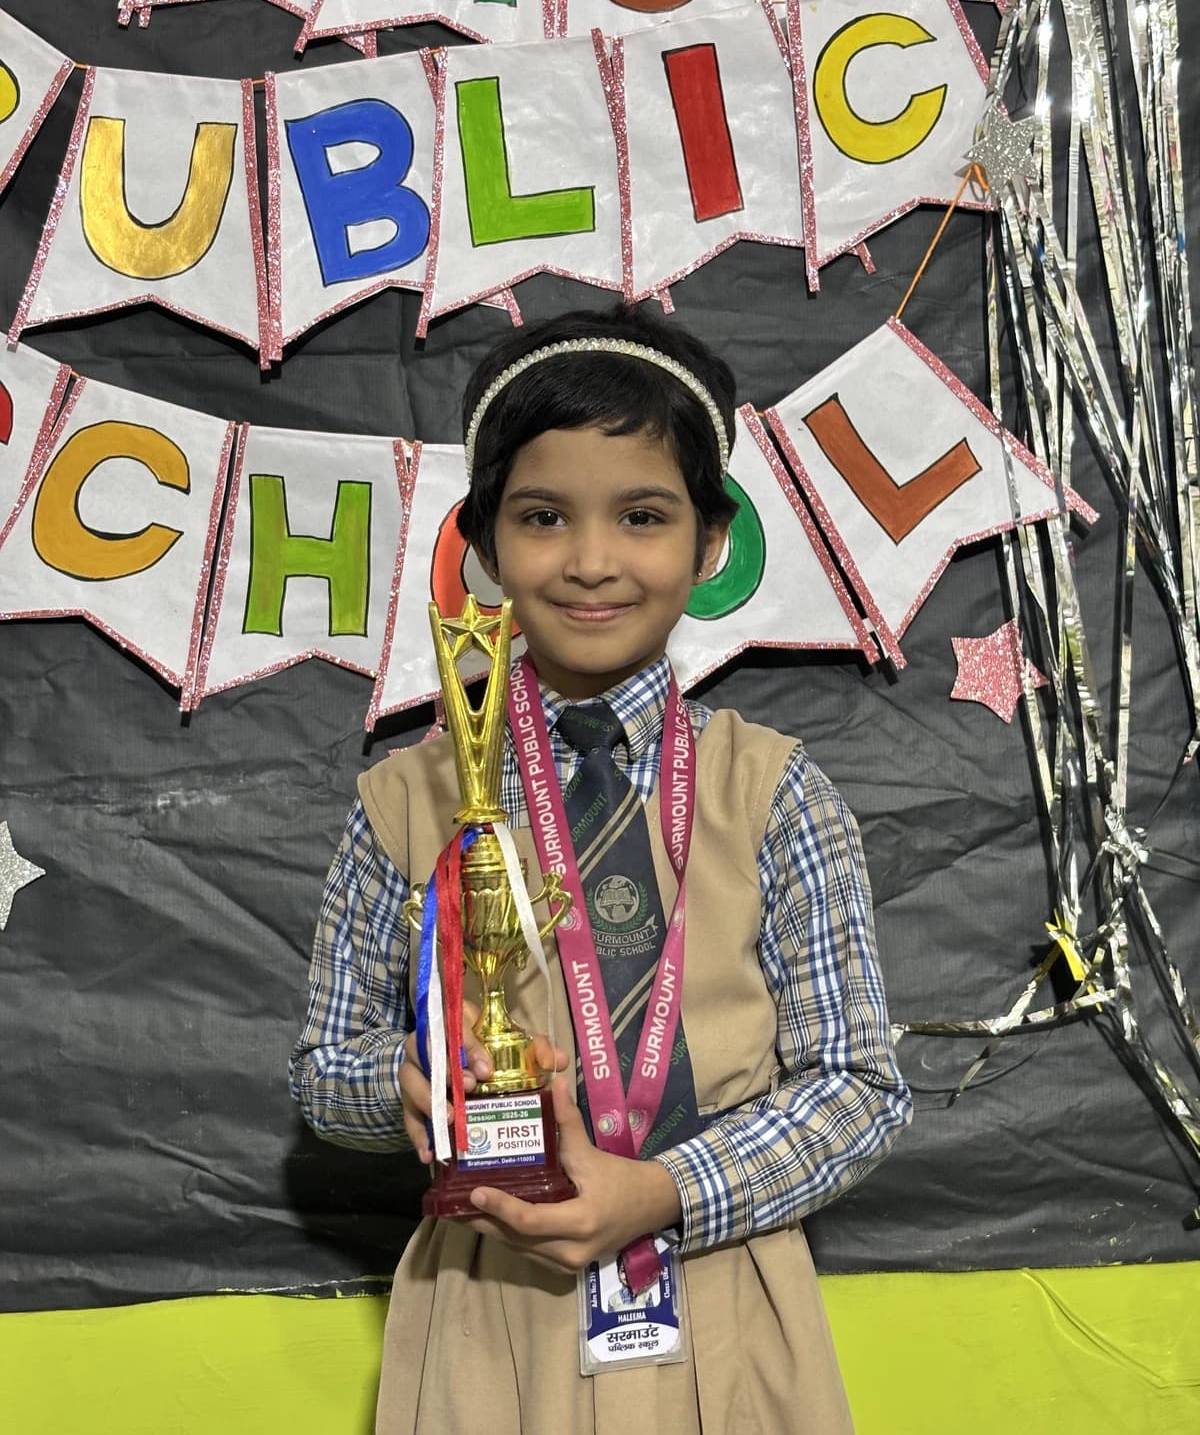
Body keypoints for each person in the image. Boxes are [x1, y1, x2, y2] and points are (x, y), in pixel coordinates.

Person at [290, 305, 912, 1434]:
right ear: (483, 545)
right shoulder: (411, 798)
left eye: (642, 516)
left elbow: (859, 1090)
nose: (590, 560)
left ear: (710, 542)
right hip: (489, 1305)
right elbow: (325, 1070)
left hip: (727, 1297)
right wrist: (408, 1082)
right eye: (543, 517)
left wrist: (663, 1190)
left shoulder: (775, 793)